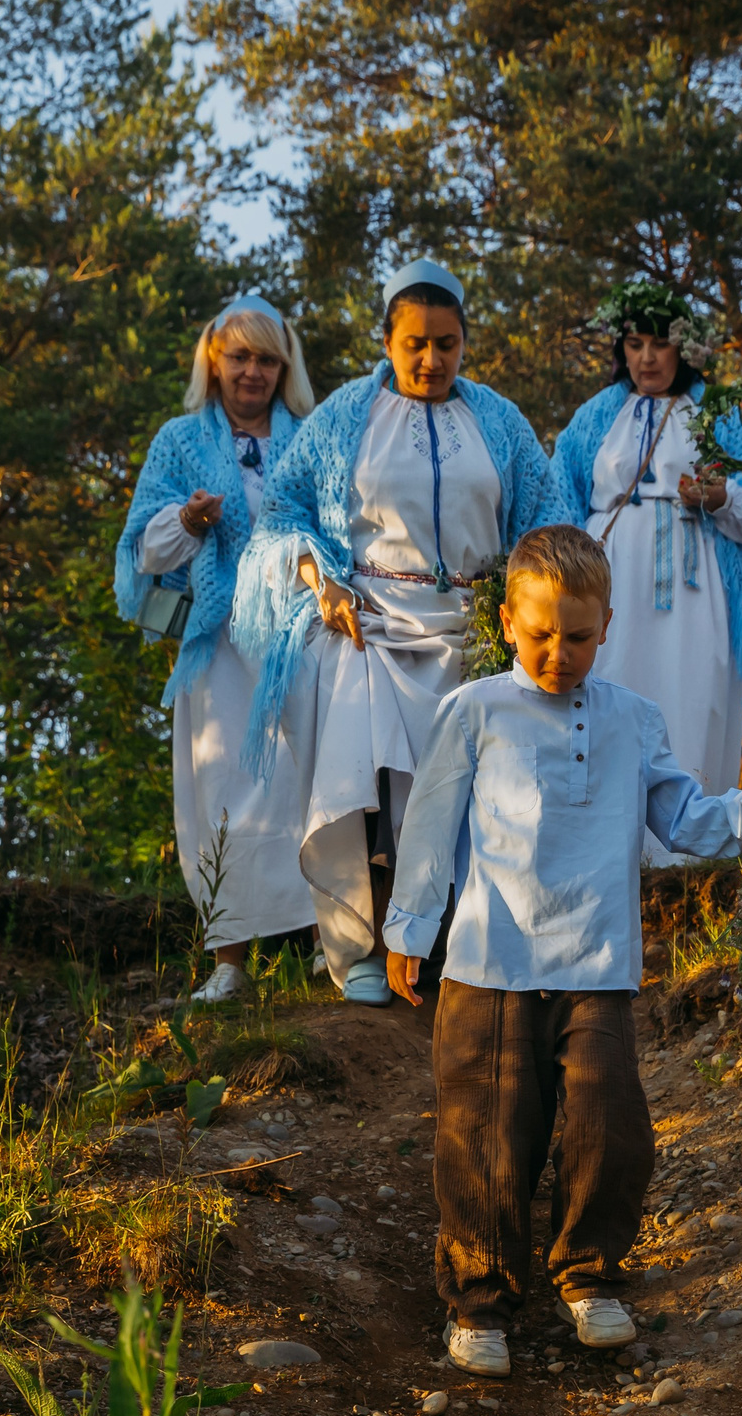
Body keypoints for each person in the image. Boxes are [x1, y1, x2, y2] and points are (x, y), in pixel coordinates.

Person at [377, 527, 742, 1377]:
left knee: (611, 1126)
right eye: (540, 634)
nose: (559, 652)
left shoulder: (634, 718)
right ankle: (480, 1299)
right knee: (487, 1134)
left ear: (608, 626)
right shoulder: (476, 710)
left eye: (580, 635)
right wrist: (411, 928)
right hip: (491, 963)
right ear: (508, 621)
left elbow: (680, 817)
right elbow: (430, 825)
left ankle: (590, 1275)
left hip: (598, 963)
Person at [231, 260, 570, 1005]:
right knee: (358, 769)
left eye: (447, 344)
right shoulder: (344, 416)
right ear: (386, 340)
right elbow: (282, 512)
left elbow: (547, 515)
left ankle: (458, 937)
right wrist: (319, 579)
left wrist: (521, 597)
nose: (431, 360)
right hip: (370, 624)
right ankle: (357, 943)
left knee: (472, 789)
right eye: (415, 343)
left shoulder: (500, 420)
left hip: (477, 629)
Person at [118, 294, 320, 1004]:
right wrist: (188, 519)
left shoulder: (313, 436)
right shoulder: (178, 440)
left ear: (283, 366)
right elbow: (144, 548)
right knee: (224, 790)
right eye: (241, 357)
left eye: (268, 359)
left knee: (313, 781)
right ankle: (231, 959)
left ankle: (334, 937)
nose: (253, 372)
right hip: (221, 644)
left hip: (302, 635)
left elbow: (341, 525)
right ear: (214, 359)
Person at [551, 281, 742, 851]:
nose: (646, 358)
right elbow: (559, 498)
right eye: (634, 343)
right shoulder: (596, 415)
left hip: (696, 580)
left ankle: (696, 845)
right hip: (612, 576)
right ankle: (609, 842)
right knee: (611, 685)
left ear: (686, 349)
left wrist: (721, 494)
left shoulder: (715, 412)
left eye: (659, 344)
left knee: (694, 692)